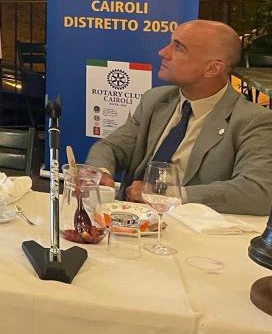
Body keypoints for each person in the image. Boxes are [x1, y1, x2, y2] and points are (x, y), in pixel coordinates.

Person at [86, 19, 272, 215]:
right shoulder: (156, 100)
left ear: (213, 68)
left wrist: (165, 195)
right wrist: (100, 172)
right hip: (130, 220)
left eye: (179, 48)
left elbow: (257, 192)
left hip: (192, 228)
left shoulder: (252, 121)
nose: (163, 52)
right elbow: (111, 147)